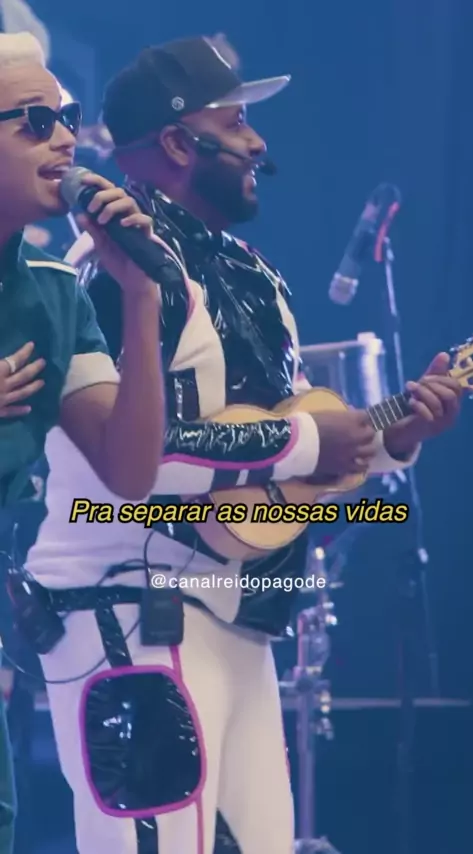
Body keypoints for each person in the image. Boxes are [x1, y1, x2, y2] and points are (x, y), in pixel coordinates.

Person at [25, 34, 463, 854]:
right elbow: (131, 458)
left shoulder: (257, 278)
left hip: (238, 610)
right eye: (237, 123)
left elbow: (273, 478)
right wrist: (305, 438)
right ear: (178, 141)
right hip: (130, 606)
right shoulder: (111, 268)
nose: (259, 143)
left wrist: (391, 440)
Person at [0, 30, 168, 854]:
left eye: (67, 117)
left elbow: (129, 471)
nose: (66, 139)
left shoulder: (56, 294)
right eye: (35, 121)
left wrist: (140, 296)